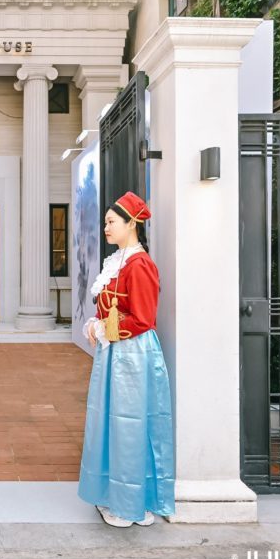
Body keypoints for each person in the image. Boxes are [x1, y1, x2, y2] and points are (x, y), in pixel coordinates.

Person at [78, 191, 175, 528]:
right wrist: (96, 322)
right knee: (114, 424)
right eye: (105, 221)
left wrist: (103, 327)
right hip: (115, 353)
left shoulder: (140, 264)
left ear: (131, 223)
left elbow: (143, 318)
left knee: (130, 426)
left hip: (133, 355)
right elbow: (110, 309)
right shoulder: (117, 261)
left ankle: (131, 504)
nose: (105, 227)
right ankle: (115, 497)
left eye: (111, 222)